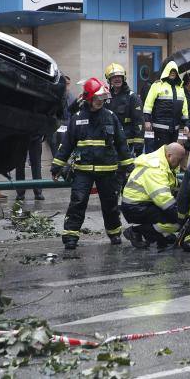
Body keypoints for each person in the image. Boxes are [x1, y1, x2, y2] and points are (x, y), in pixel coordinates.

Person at [51, 77, 133, 250]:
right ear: (88, 98)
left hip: (108, 170)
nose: (99, 102)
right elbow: (67, 144)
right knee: (78, 202)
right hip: (83, 170)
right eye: (96, 99)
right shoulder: (78, 118)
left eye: (102, 99)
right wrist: (57, 165)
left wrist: (128, 165)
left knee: (110, 204)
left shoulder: (110, 117)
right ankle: (70, 237)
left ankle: (114, 233)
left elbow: (121, 142)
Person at [121, 142, 187, 250]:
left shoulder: (162, 160)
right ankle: (136, 231)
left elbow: (169, 184)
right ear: (169, 155)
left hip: (140, 204)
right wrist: (181, 216)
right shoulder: (156, 168)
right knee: (176, 224)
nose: (179, 164)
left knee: (170, 218)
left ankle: (156, 235)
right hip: (136, 208)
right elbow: (164, 201)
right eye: (178, 160)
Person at [104, 63, 144, 184]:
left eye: (120, 76)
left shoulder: (132, 97)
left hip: (128, 144)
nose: (117, 79)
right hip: (110, 143)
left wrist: (138, 145)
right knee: (112, 174)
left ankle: (125, 199)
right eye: (114, 77)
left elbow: (139, 122)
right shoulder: (106, 96)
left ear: (124, 78)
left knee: (127, 174)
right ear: (109, 80)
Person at [143, 61, 190, 152]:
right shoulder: (157, 85)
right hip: (160, 128)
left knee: (171, 154)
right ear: (166, 72)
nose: (173, 73)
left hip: (175, 129)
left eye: (175, 71)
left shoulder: (180, 89)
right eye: (170, 71)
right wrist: (147, 120)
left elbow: (185, 109)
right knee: (161, 154)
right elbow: (148, 104)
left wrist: (187, 125)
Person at [48, 75, 77, 155]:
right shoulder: (54, 94)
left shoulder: (71, 97)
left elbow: (73, 113)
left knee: (63, 137)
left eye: (68, 84)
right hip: (55, 122)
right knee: (53, 139)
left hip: (66, 122)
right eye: (65, 84)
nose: (66, 86)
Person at [15, 134, 44, 202]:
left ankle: (38, 192)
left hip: (36, 135)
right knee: (19, 165)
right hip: (20, 136)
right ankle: (20, 192)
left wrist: (44, 132)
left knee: (36, 164)